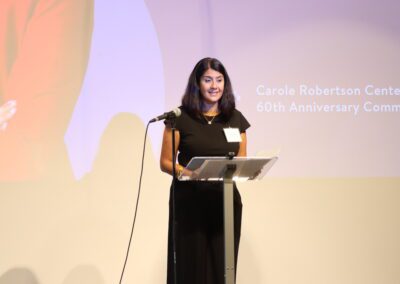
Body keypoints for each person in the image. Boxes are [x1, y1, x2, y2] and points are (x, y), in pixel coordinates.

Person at [160, 57, 250, 284]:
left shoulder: (235, 119)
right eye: (208, 79)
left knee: (223, 267)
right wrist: (189, 173)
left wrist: (245, 170)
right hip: (190, 202)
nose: (214, 86)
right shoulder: (179, 118)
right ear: (197, 84)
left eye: (219, 80)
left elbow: (241, 159)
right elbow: (165, 161)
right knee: (191, 268)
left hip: (225, 200)